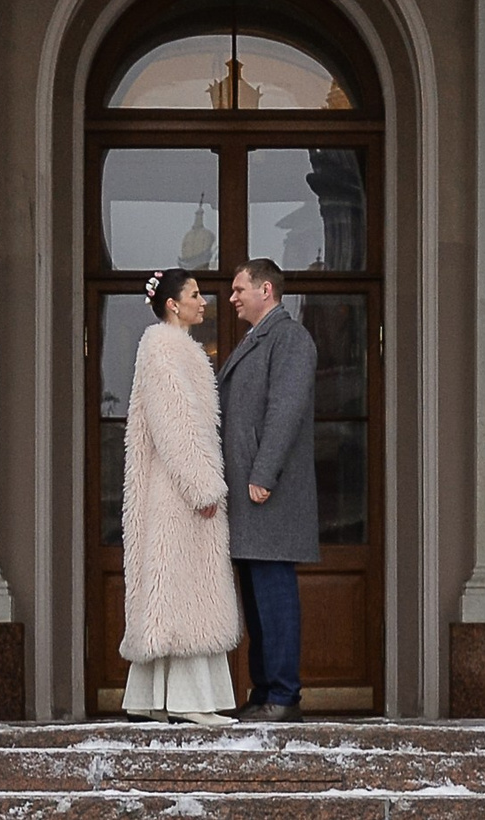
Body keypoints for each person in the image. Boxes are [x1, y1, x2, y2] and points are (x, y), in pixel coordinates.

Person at [119, 267, 242, 724]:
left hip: (172, 489)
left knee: (170, 588)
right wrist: (202, 484)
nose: (203, 301)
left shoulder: (170, 350)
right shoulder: (166, 349)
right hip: (178, 493)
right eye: (194, 295)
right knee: (187, 588)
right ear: (173, 304)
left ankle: (151, 696)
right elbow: (176, 426)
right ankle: (191, 701)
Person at [218, 257, 319, 723]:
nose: (233, 296)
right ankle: (264, 692)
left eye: (241, 289)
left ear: (266, 290)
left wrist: (263, 474)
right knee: (258, 599)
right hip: (249, 496)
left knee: (275, 595)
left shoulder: (290, 337)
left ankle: (283, 695)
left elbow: (285, 410)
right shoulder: (258, 338)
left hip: (268, 494)